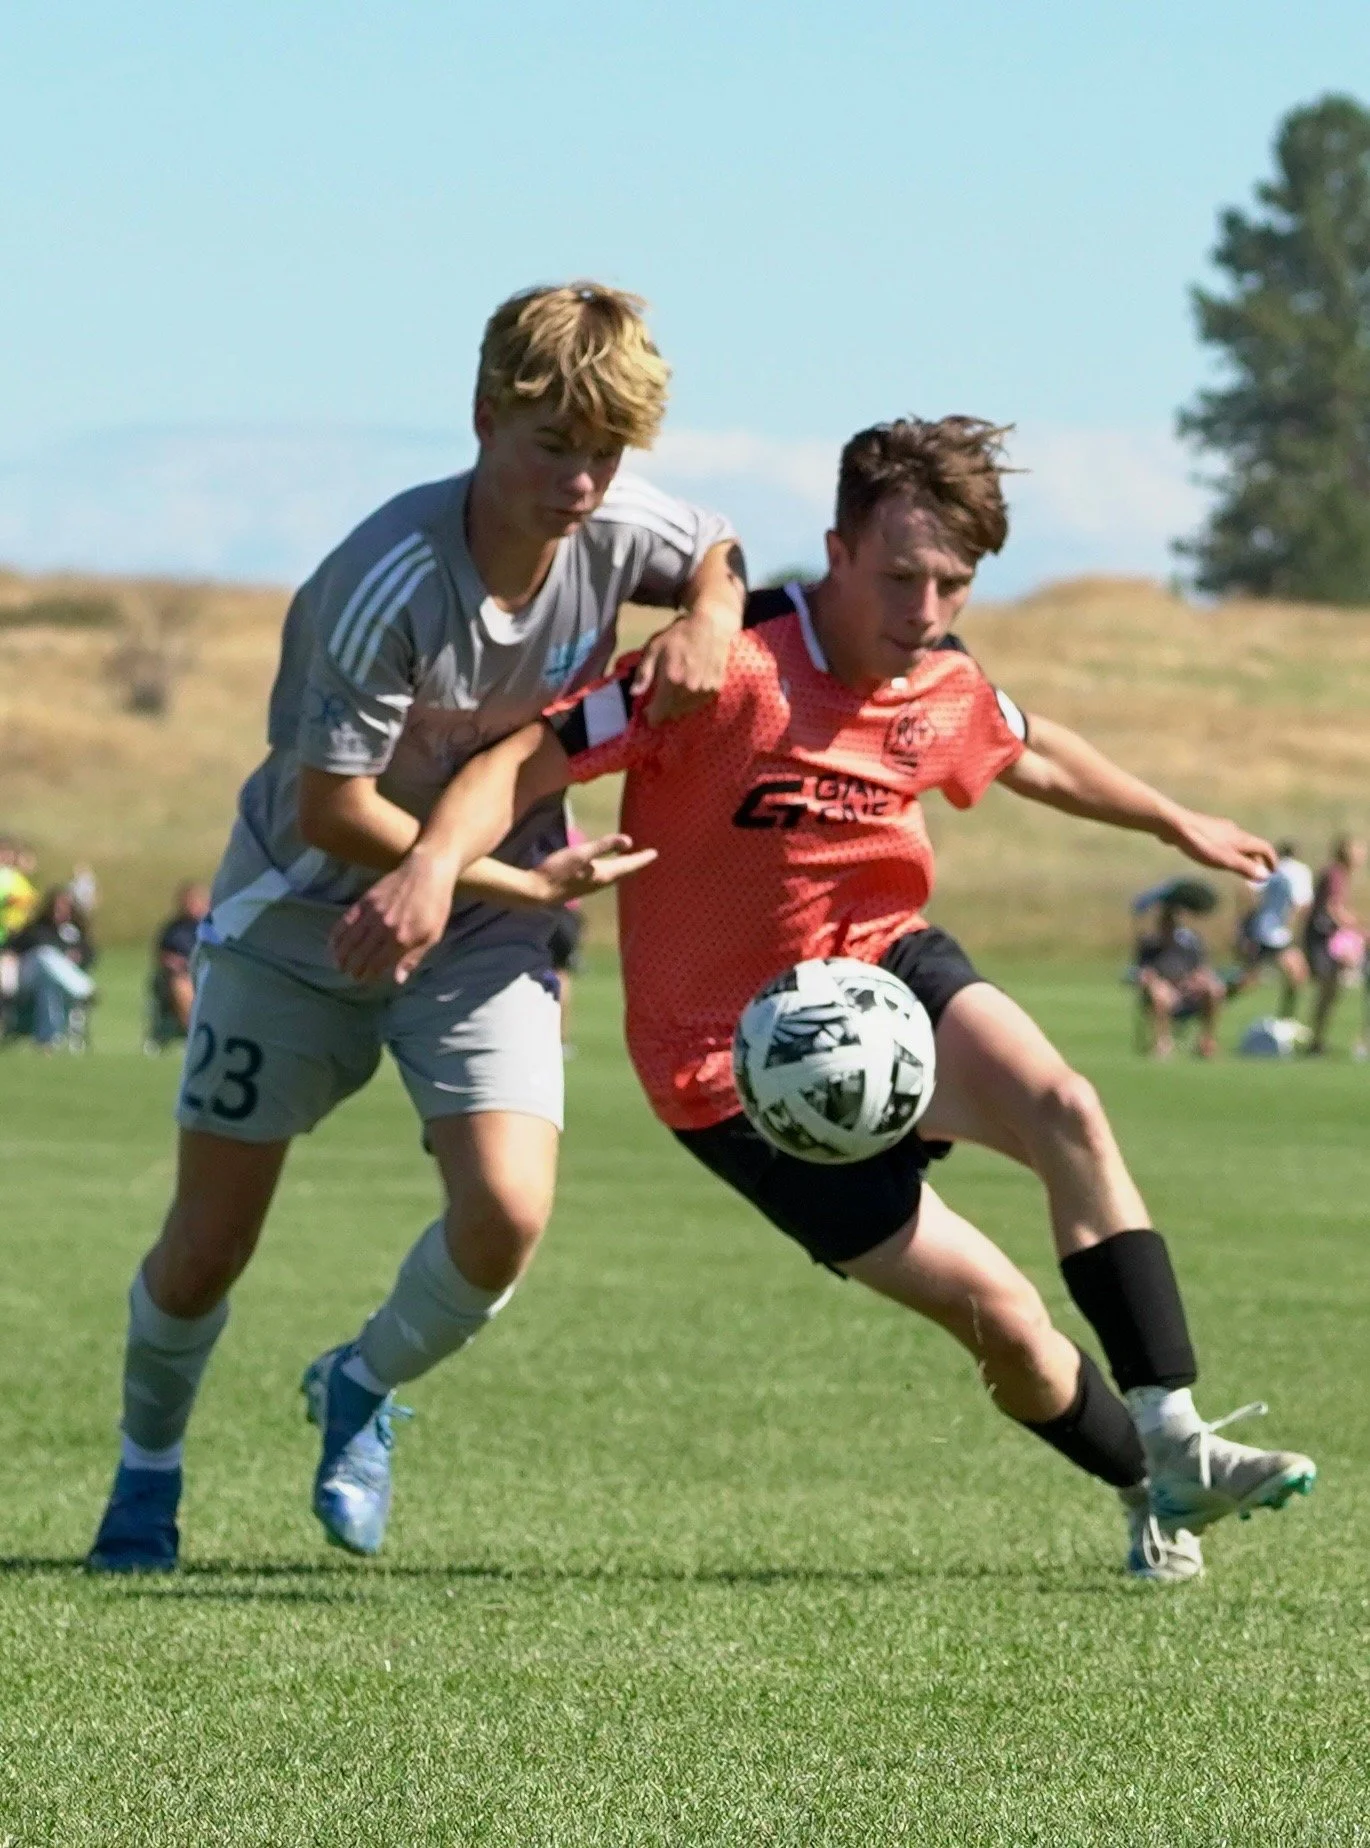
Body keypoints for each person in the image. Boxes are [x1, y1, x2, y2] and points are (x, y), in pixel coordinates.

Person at [341, 417, 1317, 1582]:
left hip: (882, 970)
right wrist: (428, 867)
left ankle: (1177, 1434)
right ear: (835, 553)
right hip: (727, 1069)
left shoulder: (939, 682)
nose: (926, 607)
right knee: (1007, 1327)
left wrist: (1171, 820)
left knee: (1067, 1103)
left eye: (952, 583)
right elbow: (517, 764)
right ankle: (1137, 1479)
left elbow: (1023, 744)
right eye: (900, 576)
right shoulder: (720, 670)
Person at [87, 281, 745, 1572]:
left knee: (504, 1210)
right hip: (302, 919)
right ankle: (146, 1468)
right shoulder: (379, 582)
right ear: (484, 415)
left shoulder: (616, 519)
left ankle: (361, 1384)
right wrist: (500, 879)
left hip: (486, 929)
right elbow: (334, 811)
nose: (579, 482)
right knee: (206, 1247)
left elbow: (714, 546)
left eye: (605, 455)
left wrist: (714, 612)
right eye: (552, 447)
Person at [1132, 879, 1226, 1058]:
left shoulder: (1190, 943)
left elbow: (1201, 969)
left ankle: (1206, 1041)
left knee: (1214, 988)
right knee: (1160, 992)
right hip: (1164, 991)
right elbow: (1144, 972)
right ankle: (1163, 1042)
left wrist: (1196, 981)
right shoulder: (1150, 944)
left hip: (1188, 992)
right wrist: (1154, 980)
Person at [6, 886, 98, 1051]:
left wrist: (78, 956)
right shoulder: (36, 929)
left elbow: (90, 954)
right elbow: (10, 949)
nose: (60, 911)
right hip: (26, 978)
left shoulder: (74, 933)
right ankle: (83, 988)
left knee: (48, 985)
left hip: (51, 983)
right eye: (57, 907)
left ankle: (46, 1042)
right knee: (44, 955)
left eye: (65, 907)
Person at [1231, 841, 1313, 1015]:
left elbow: (1245, 889)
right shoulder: (1298, 871)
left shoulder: (1271, 868)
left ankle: (1285, 1019)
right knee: (1251, 980)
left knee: (1296, 974)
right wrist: (1291, 922)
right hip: (1274, 934)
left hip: (1264, 931)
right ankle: (1212, 1001)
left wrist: (1246, 920)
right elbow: (1302, 903)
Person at [1305, 835, 1366, 1055]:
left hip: (1324, 936)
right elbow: (1333, 909)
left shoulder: (1338, 874)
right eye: (1358, 850)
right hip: (1321, 938)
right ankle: (1315, 1040)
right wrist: (1357, 929)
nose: (1362, 855)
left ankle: (1317, 1040)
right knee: (1327, 990)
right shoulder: (1335, 874)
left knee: (1330, 992)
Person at [147, 881, 212, 1049]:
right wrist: (174, 962)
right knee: (181, 986)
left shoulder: (213, 926)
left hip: (209, 974)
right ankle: (193, 1032)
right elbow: (161, 955)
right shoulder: (173, 929)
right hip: (180, 976)